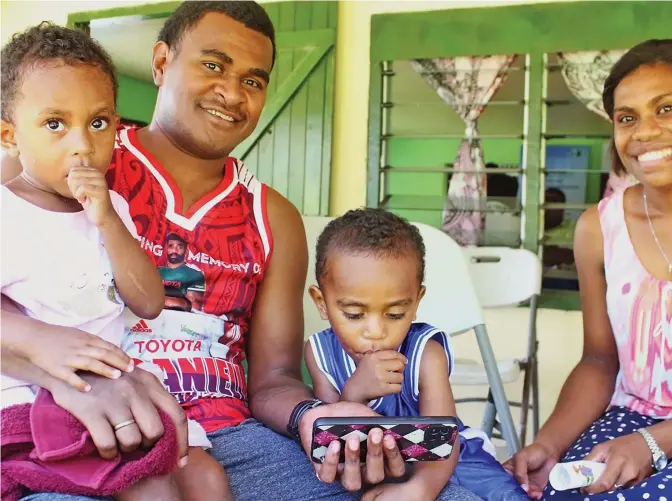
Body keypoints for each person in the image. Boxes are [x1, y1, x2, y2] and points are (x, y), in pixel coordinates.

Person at [0, 2, 464, 500]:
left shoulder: (272, 218)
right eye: (213, 65)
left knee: (441, 493)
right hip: (89, 423)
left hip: (230, 438)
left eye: (253, 80)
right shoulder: (63, 163)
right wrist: (61, 378)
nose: (231, 91)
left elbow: (275, 378)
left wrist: (313, 414)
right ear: (161, 62)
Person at [0, 22, 232, 501]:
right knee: (153, 491)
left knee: (207, 478)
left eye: (99, 122)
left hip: (117, 380)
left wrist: (107, 221)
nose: (83, 143)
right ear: (10, 134)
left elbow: (147, 302)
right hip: (34, 394)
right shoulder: (7, 214)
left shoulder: (114, 210)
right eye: (54, 124)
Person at [504, 39, 672, 501]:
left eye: (666, 108)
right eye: (627, 118)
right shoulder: (598, 229)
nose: (645, 132)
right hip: (630, 422)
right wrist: (548, 445)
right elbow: (598, 361)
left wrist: (653, 445)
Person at [305, 208, 529, 501]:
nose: (376, 331)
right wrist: (355, 392)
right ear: (322, 303)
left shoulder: (425, 354)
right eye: (355, 314)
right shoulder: (320, 354)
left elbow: (444, 437)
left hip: (448, 461)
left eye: (396, 313)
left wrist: (420, 489)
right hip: (371, 462)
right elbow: (333, 437)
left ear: (416, 302)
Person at [157, 233, 206, 312]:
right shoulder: (155, 271)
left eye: (179, 247)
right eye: (170, 246)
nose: (174, 250)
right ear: (166, 249)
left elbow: (194, 308)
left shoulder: (195, 275)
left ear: (186, 251)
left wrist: (171, 301)